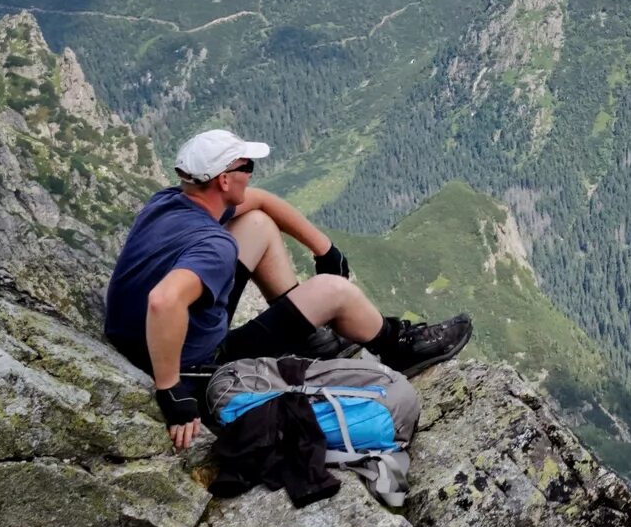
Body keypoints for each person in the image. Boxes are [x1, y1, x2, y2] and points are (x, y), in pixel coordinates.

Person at [105, 128, 472, 445]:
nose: (251, 174)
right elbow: (163, 300)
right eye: (246, 167)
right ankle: (397, 346)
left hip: (141, 340)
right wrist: (170, 391)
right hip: (196, 369)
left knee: (259, 224)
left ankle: (309, 337)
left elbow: (262, 201)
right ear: (223, 181)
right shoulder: (215, 247)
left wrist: (324, 248)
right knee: (334, 290)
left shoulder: (168, 201)